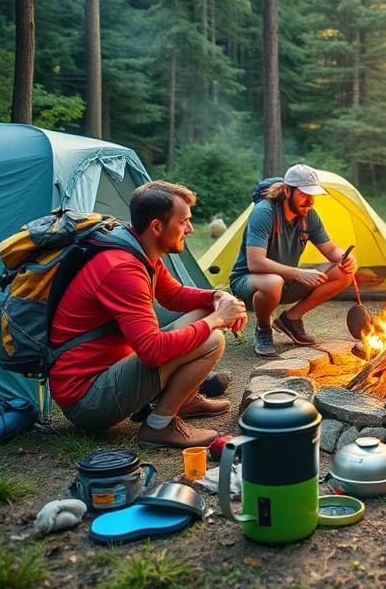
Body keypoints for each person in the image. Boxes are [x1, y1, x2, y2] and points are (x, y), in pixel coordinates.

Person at [49, 181, 247, 449]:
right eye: (183, 222)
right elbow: (151, 351)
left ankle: (183, 399)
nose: (190, 229)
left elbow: (173, 295)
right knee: (212, 339)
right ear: (157, 227)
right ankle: (158, 426)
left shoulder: (138, 248)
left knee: (204, 311)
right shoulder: (122, 269)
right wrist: (217, 319)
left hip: (108, 372)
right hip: (87, 399)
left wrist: (217, 298)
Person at [229, 163, 358, 357]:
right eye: (304, 194)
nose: (310, 201)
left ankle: (291, 319)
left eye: (313, 195)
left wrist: (346, 258)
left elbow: (331, 250)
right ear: (287, 191)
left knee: (343, 273)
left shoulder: (309, 215)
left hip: (284, 280)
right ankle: (263, 329)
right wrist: (299, 273)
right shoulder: (264, 212)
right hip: (248, 281)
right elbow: (255, 262)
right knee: (273, 281)